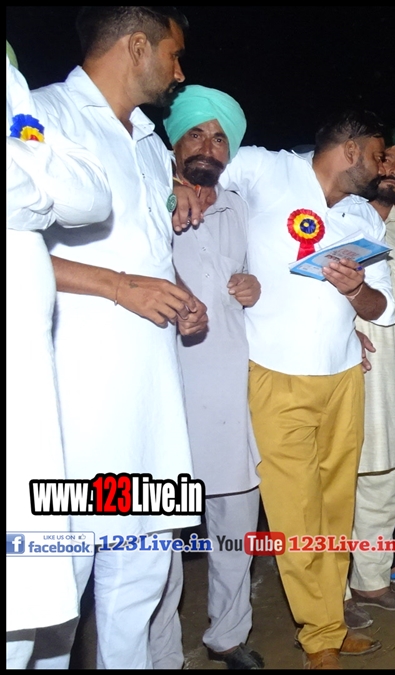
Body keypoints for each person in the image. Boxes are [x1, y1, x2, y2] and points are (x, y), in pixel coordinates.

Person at [32, 7, 205, 668]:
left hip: (150, 405)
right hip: (75, 403)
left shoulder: (153, 146)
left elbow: (146, 256)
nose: (179, 72)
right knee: (56, 583)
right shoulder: (41, 116)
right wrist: (117, 285)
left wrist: (180, 300)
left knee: (142, 575)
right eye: (173, 54)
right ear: (137, 46)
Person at [219, 109, 395, 668]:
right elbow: (201, 167)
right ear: (350, 149)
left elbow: (382, 307)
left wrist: (356, 289)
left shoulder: (363, 218)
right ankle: (319, 639)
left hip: (343, 377)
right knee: (295, 513)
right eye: (377, 155)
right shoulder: (266, 169)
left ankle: (330, 621)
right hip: (274, 374)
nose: (383, 167)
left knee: (335, 509)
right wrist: (185, 191)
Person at [147, 85, 265, 670]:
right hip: (165, 391)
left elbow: (258, 277)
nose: (208, 146)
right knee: (161, 534)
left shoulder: (238, 207)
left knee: (235, 526)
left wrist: (254, 285)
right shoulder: (150, 193)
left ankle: (228, 635)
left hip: (230, 391)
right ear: (174, 140)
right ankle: (160, 653)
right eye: (196, 132)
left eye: (220, 138)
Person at [5, 49, 111, 670]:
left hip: (31, 385)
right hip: (60, 372)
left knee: (29, 581)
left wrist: (32, 174)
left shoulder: (21, 93)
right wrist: (42, 187)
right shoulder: (52, 106)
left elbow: (89, 200)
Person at [343, 132, 395, 631]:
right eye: (388, 160)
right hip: (345, 372)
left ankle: (371, 580)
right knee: (341, 483)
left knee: (386, 479)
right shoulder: (338, 217)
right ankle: (332, 592)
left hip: (393, 376)